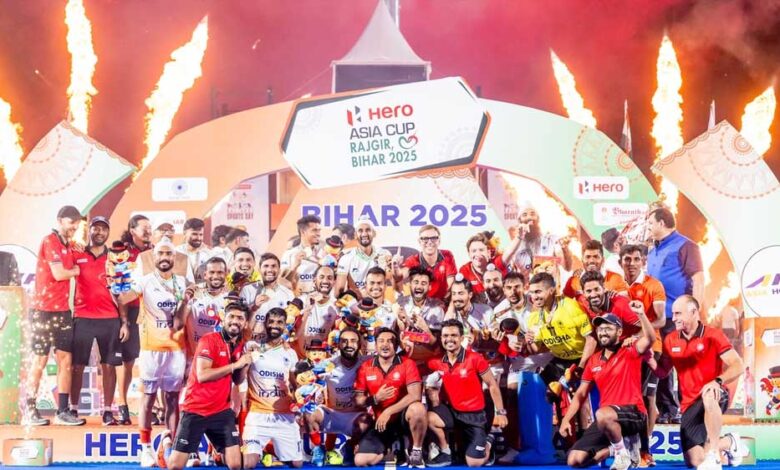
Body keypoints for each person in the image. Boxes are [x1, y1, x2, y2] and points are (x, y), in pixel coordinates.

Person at [653, 295, 747, 470]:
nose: (674, 318)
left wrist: (717, 381)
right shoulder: (670, 339)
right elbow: (662, 372)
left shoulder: (713, 335)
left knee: (709, 394)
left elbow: (738, 365)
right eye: (673, 314)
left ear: (694, 312)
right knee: (694, 461)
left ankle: (714, 455)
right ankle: (729, 442)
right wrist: (648, 357)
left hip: (715, 394)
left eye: (678, 313)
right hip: (689, 404)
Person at [118, 238, 188, 467]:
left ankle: (174, 448)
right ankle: (146, 448)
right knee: (148, 398)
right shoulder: (144, 281)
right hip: (150, 349)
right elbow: (123, 298)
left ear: (174, 257)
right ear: (154, 257)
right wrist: (117, 285)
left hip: (177, 349)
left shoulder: (183, 282)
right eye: (161, 254)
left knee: (172, 399)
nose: (165, 257)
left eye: (169, 254)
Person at [561, 303, 656, 470]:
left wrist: (641, 314)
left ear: (619, 332)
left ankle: (622, 454)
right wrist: (566, 419)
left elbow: (650, 339)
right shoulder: (593, 360)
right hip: (607, 419)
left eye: (608, 328)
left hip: (634, 413)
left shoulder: (630, 349)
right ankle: (617, 450)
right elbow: (581, 394)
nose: (603, 332)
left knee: (602, 414)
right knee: (574, 460)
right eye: (600, 329)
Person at [167, 302, 252, 470]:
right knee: (175, 466)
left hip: (221, 411)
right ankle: (166, 444)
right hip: (196, 409)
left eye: (240, 318)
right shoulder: (209, 340)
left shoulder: (240, 345)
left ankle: (217, 453)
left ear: (245, 323)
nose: (235, 321)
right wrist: (236, 365)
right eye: (231, 316)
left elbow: (237, 380)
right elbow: (203, 375)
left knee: (236, 465)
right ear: (223, 318)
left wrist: (245, 364)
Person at [24, 205, 85, 426]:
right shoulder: (49, 241)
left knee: (65, 360)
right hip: (43, 311)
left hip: (63, 311)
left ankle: (63, 411)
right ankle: (29, 410)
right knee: (39, 360)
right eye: (71, 222)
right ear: (60, 221)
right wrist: (76, 271)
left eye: (77, 223)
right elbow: (59, 274)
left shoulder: (69, 245)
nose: (74, 226)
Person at [646, 206, 704, 424]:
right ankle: (668, 410)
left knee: (684, 363)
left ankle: (690, 410)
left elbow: (698, 279)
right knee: (662, 364)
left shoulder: (686, 245)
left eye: (650, 223)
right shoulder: (651, 251)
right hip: (658, 318)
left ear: (662, 223)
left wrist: (694, 312)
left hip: (679, 317)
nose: (648, 227)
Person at [427, 319, 509, 467]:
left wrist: (501, 412)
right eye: (445, 336)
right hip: (453, 413)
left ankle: (488, 442)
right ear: (441, 338)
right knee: (427, 417)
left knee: (473, 463)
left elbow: (492, 384)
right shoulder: (437, 361)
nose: (449, 339)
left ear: (461, 338)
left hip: (475, 416)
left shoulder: (475, 358)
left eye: (454, 335)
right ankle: (445, 451)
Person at [70, 216, 127, 425]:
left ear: (108, 232)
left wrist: (124, 322)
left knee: (109, 366)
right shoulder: (77, 253)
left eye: (104, 229)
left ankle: (107, 411)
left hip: (110, 319)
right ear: (90, 230)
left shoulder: (116, 259)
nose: (100, 232)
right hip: (82, 317)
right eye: (96, 228)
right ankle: (73, 409)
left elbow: (122, 292)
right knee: (77, 366)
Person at [620, 243, 667, 466]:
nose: (632, 263)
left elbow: (661, 320)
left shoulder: (653, 285)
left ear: (643, 261)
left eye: (636, 259)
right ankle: (634, 447)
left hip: (650, 348)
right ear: (620, 262)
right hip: (624, 350)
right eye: (627, 259)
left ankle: (644, 450)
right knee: (633, 398)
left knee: (645, 397)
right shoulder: (616, 285)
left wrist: (639, 334)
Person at [354, 328, 427, 467]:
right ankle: (391, 448)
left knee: (418, 408)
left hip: (404, 420)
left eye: (390, 341)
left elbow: (415, 395)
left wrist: (389, 411)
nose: (385, 345)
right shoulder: (365, 367)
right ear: (375, 345)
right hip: (381, 423)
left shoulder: (407, 363)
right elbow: (358, 400)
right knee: (360, 461)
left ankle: (416, 451)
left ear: (397, 345)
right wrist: (375, 398)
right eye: (381, 341)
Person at [242, 308, 303, 468]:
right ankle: (264, 452)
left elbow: (295, 384)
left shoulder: (290, 353)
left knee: (297, 464)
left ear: (285, 326)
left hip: (284, 415)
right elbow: (240, 377)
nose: (275, 325)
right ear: (265, 324)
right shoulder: (253, 347)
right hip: (258, 415)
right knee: (248, 464)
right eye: (271, 322)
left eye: (279, 322)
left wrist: (302, 402)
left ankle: (272, 453)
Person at [306, 327, 371, 466]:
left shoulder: (367, 362)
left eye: (353, 341)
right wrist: (316, 390)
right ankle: (318, 449)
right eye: (344, 341)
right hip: (331, 414)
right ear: (338, 344)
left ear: (360, 344)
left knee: (367, 421)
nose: (349, 345)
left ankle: (349, 447)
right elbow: (308, 381)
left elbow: (390, 358)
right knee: (308, 414)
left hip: (354, 416)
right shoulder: (327, 364)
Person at [116, 214, 153, 425]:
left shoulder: (155, 252)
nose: (148, 231)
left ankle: (151, 408)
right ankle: (122, 406)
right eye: (144, 228)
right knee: (127, 362)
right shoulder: (122, 253)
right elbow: (120, 288)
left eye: (150, 228)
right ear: (132, 231)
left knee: (150, 363)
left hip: (151, 314)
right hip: (130, 313)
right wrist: (124, 321)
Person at [240, 252, 294, 339]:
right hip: (251, 340)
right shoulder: (247, 290)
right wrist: (254, 307)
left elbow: (291, 323)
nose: (269, 270)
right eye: (266, 266)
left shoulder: (288, 294)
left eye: (273, 266)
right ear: (259, 269)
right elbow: (240, 317)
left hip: (276, 342)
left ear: (279, 270)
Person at [510, 202, 573, 278]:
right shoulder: (515, 245)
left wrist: (565, 249)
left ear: (538, 218)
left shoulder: (551, 240)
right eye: (524, 215)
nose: (529, 217)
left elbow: (567, 268)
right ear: (520, 220)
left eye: (532, 214)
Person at [335, 216, 391, 295]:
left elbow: (390, 283)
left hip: (379, 300)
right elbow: (338, 292)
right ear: (355, 235)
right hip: (356, 301)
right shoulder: (346, 258)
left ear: (374, 233)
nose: (364, 234)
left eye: (368, 230)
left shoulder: (384, 254)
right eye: (360, 231)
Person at [578, 270, 641, 341]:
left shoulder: (620, 304)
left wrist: (634, 338)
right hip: (606, 343)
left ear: (604, 288)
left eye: (597, 289)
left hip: (626, 344)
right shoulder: (581, 303)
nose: (593, 294)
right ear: (583, 293)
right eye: (589, 291)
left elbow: (646, 327)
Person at [400, 225, 457, 301]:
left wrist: (446, 302)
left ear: (439, 241)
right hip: (421, 304)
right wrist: (395, 266)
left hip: (443, 302)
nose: (429, 242)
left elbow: (451, 284)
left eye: (434, 238)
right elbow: (400, 275)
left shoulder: (447, 255)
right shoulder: (413, 260)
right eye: (425, 239)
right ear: (419, 241)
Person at [458, 232, 518, 297]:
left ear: (488, 252)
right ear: (469, 254)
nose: (478, 254)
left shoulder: (496, 263)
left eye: (481, 250)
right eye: (474, 251)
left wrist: (519, 237)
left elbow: (510, 252)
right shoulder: (464, 270)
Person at [563, 240, 628, 297]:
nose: (591, 261)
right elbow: (564, 302)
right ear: (582, 260)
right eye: (588, 257)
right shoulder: (574, 281)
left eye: (596, 257)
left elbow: (627, 296)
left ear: (603, 260)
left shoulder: (616, 278)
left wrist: (615, 296)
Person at [281, 215, 324, 296]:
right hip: (296, 300)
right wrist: (295, 266)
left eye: (319, 230)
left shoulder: (323, 254)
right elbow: (282, 283)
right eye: (314, 230)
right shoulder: (289, 254)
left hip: (318, 300)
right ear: (303, 232)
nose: (318, 234)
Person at [177, 218, 211, 282]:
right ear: (184, 233)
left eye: (201, 234)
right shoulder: (176, 252)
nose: (199, 238)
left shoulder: (208, 254)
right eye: (194, 234)